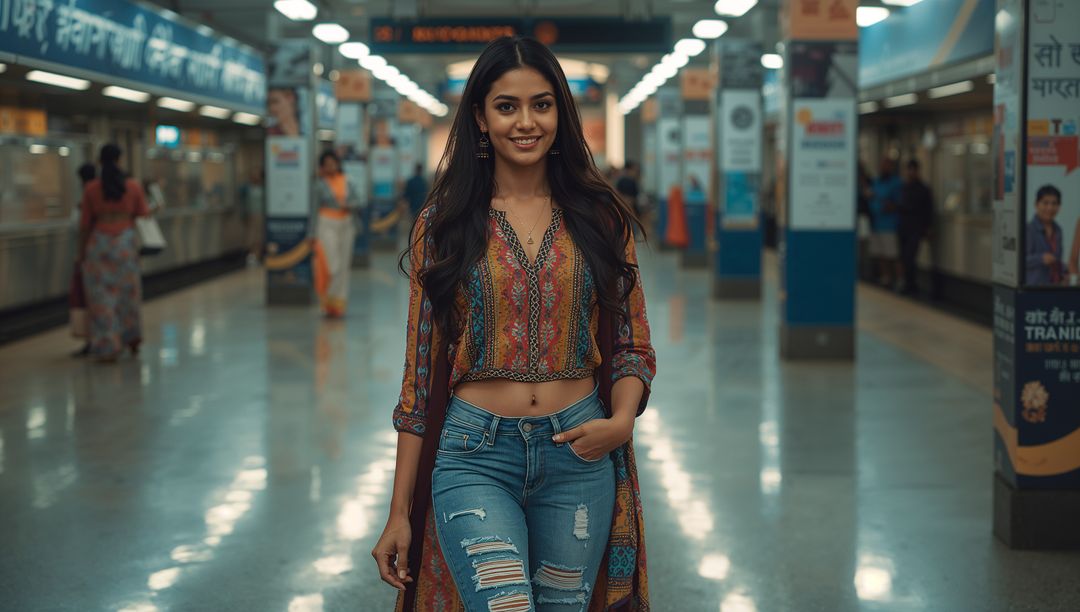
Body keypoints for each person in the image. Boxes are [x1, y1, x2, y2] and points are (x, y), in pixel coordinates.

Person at [372, 36, 656, 611]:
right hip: (475, 456)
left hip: (579, 456)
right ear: (480, 116)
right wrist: (399, 512)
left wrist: (621, 420)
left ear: (561, 114)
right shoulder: (444, 225)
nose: (526, 122)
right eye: (507, 106)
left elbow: (631, 343)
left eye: (542, 105)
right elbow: (419, 378)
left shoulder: (600, 219)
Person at [77, 145, 150, 362]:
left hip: (99, 244)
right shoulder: (133, 186)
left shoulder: (91, 189)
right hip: (125, 245)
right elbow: (143, 215)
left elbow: (84, 226)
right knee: (129, 294)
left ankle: (108, 345)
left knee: (101, 298)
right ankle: (131, 338)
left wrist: (80, 253)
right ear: (120, 160)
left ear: (99, 162)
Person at [312, 150, 361, 317]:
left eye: (333, 163)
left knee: (344, 266)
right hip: (326, 223)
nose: (330, 167)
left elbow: (358, 200)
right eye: (326, 164)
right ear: (322, 167)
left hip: (346, 224)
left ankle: (337, 305)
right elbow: (313, 209)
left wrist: (350, 205)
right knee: (332, 265)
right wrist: (310, 234)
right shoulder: (319, 185)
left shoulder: (348, 181)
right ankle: (326, 300)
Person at [70, 163, 98, 358]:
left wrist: (80, 255)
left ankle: (91, 340)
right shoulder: (108, 193)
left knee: (87, 298)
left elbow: (81, 228)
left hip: (90, 255)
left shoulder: (87, 198)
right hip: (109, 253)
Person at [897, 159, 934, 295]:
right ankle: (908, 283)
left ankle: (911, 284)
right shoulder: (904, 187)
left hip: (916, 228)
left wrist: (928, 227)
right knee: (903, 257)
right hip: (903, 227)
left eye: (913, 169)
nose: (911, 172)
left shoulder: (923, 189)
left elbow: (928, 210)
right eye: (909, 169)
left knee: (910, 257)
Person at [869, 159, 902, 288]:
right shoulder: (876, 182)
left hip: (890, 224)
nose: (883, 168)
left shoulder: (896, 183)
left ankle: (899, 279)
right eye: (882, 166)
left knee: (893, 254)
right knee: (880, 253)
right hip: (877, 223)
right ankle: (886, 277)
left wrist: (891, 206)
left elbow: (899, 203)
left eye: (886, 166)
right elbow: (872, 198)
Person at [1026, 184, 1066, 285]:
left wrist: (1065, 271)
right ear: (1036, 204)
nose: (1050, 208)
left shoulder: (1058, 230)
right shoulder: (1029, 229)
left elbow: (1057, 260)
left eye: (1054, 203)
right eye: (1045, 203)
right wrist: (1041, 258)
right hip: (1034, 288)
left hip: (1054, 287)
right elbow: (1020, 260)